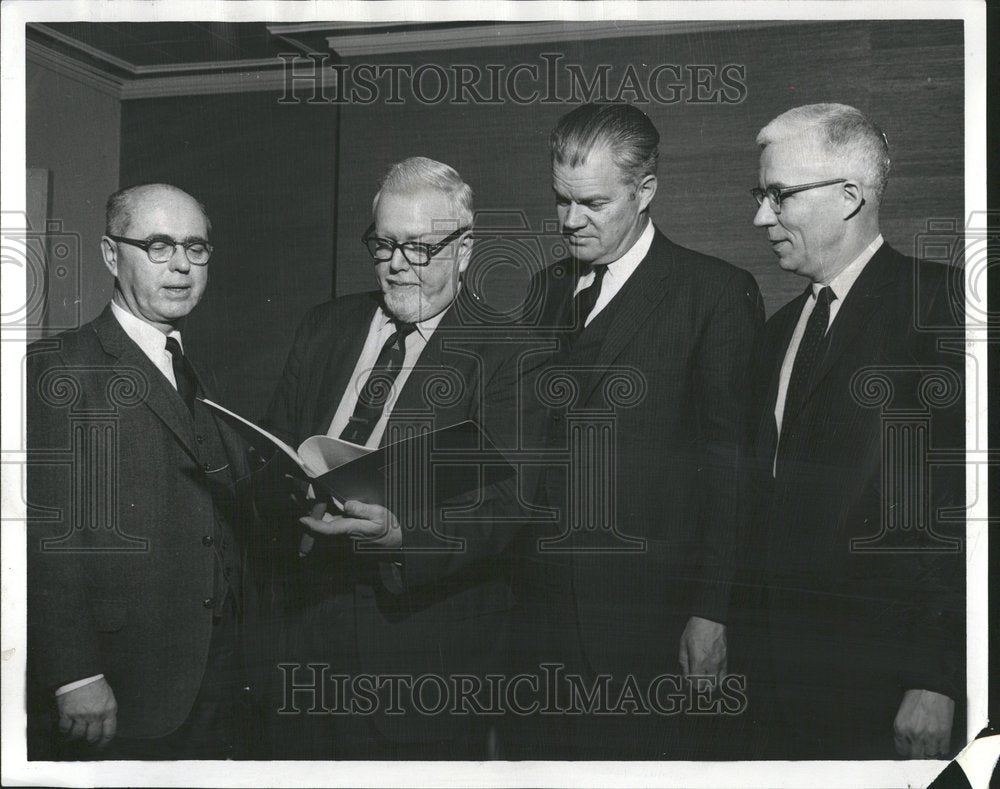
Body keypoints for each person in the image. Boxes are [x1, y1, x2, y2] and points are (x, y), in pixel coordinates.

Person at [512, 103, 764, 759]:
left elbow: (733, 469)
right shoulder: (542, 292)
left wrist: (712, 612)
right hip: (536, 632)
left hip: (652, 630)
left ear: (646, 190)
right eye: (561, 200)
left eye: (592, 202)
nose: (570, 221)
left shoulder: (714, 293)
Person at [261, 156, 525, 759]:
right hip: (307, 636)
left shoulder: (510, 352)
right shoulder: (325, 327)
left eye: (420, 247)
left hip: (420, 653)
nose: (398, 265)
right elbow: (276, 449)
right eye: (383, 246)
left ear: (464, 248)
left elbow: (512, 506)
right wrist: (288, 485)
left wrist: (403, 535)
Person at [742, 103, 965, 759]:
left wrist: (937, 675)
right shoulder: (777, 334)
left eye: (778, 195)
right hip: (777, 684)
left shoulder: (941, 308)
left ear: (849, 196)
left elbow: (965, 509)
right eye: (760, 196)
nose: (760, 217)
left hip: (887, 684)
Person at [26, 183, 261, 759]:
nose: (182, 265)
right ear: (111, 255)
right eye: (158, 246)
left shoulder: (198, 368)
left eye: (195, 247)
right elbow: (41, 537)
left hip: (218, 671)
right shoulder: (59, 368)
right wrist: (74, 674)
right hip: (121, 682)